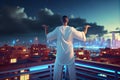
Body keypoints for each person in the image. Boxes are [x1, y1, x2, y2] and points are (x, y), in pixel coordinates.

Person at [46, 15, 90, 80]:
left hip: (60, 54)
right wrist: (86, 27)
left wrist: (46, 29)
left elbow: (48, 36)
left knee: (57, 73)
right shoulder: (71, 29)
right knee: (72, 73)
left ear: (62, 21)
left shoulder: (58, 29)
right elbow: (82, 35)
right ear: (68, 21)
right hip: (69, 54)